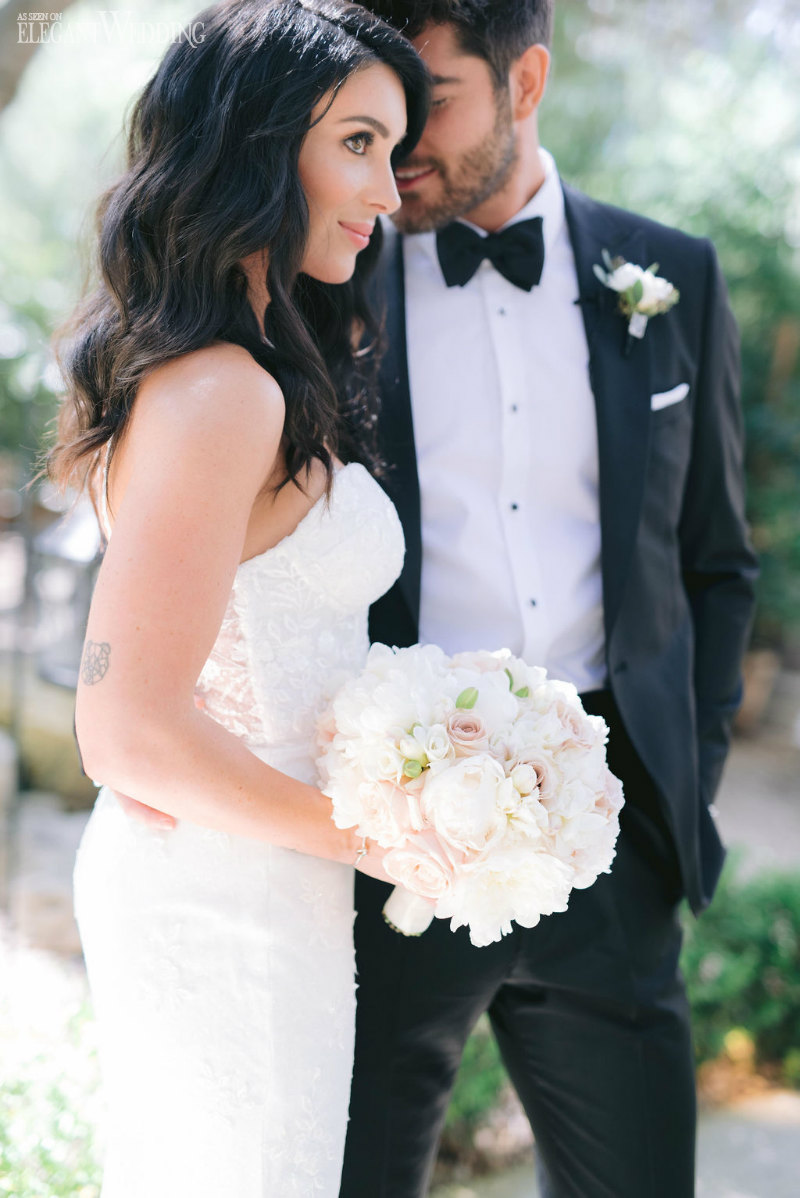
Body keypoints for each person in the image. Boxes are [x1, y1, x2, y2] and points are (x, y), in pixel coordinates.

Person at [337, 2, 759, 1196]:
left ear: (524, 79)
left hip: (610, 840)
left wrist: (688, 774)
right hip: (382, 845)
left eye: (435, 99)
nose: (400, 142)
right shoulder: (331, 278)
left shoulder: (669, 274)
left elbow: (714, 559)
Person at [49, 2, 428, 1194]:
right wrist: (396, 835)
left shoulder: (237, 366)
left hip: (251, 870)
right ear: (261, 136)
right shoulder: (223, 391)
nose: (389, 191)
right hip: (226, 894)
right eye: (358, 142)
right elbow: (123, 727)